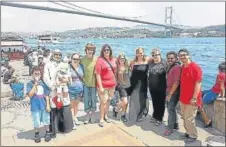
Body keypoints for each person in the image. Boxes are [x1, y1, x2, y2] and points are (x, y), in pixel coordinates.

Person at [43, 49, 73, 138]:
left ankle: (65, 128)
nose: (58, 56)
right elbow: (45, 77)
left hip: (63, 89)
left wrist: (67, 81)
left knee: (64, 107)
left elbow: (69, 75)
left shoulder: (64, 64)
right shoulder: (48, 65)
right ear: (53, 55)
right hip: (53, 90)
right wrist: (53, 86)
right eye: (56, 54)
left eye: (59, 55)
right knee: (54, 109)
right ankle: (54, 130)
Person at [178, 49, 202, 144]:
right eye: (180, 55)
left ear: (189, 55)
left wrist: (195, 97)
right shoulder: (183, 66)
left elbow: (198, 83)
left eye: (184, 55)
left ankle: (193, 135)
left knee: (189, 118)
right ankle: (188, 132)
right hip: (183, 98)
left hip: (192, 99)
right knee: (184, 117)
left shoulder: (195, 67)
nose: (182, 57)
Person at [26, 66, 51, 143]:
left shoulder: (43, 83)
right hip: (35, 107)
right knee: (36, 121)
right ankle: (37, 133)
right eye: (35, 73)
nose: (37, 75)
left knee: (46, 120)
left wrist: (48, 105)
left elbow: (46, 95)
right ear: (32, 74)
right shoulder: (29, 84)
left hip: (43, 105)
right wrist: (35, 84)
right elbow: (30, 95)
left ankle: (47, 132)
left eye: (38, 74)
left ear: (41, 75)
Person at [95, 44, 117, 127]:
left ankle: (106, 115)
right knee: (103, 102)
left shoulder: (113, 59)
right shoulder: (100, 60)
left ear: (110, 51)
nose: (106, 51)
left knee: (108, 101)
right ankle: (101, 118)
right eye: (105, 50)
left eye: (108, 50)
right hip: (103, 86)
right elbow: (97, 74)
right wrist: (100, 87)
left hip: (112, 85)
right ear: (102, 51)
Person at [198, 61, 225, 128]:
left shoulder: (221, 75)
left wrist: (222, 96)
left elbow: (222, 87)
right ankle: (198, 111)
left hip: (214, 92)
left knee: (199, 103)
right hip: (213, 90)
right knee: (200, 93)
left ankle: (207, 120)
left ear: (219, 69)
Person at [126, 47, 149, 124]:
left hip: (143, 83)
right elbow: (126, 67)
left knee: (142, 99)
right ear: (136, 54)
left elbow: (157, 60)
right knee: (133, 99)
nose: (139, 54)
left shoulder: (147, 60)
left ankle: (140, 115)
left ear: (143, 53)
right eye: (138, 53)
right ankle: (132, 115)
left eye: (141, 52)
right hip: (134, 83)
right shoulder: (132, 62)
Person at [163, 51, 181, 136]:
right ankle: (175, 124)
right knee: (172, 109)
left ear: (176, 58)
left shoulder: (177, 67)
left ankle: (170, 128)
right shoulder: (171, 66)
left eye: (172, 58)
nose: (170, 60)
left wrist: (170, 94)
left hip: (173, 92)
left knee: (170, 109)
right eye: (168, 58)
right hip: (170, 90)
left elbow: (176, 82)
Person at [148, 48, 167, 126]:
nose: (155, 56)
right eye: (153, 55)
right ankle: (155, 115)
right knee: (154, 102)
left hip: (161, 88)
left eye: (157, 54)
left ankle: (159, 118)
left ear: (160, 55)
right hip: (152, 88)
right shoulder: (151, 64)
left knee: (161, 104)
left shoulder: (164, 63)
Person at [80, 43, 98, 124]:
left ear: (93, 51)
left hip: (94, 84)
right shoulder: (82, 59)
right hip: (85, 84)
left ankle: (93, 115)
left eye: (92, 49)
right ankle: (87, 116)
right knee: (86, 100)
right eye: (89, 49)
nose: (90, 51)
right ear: (86, 50)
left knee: (94, 100)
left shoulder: (96, 59)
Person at [68, 53, 84, 129]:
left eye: (77, 59)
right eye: (74, 59)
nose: (76, 60)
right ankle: (72, 120)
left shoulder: (81, 67)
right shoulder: (68, 67)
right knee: (71, 105)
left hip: (80, 90)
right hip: (70, 90)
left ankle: (75, 116)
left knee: (76, 105)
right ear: (71, 59)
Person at [112, 53, 130, 122]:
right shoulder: (116, 67)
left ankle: (123, 115)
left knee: (126, 102)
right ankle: (116, 109)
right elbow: (115, 78)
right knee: (125, 101)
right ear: (118, 60)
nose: (122, 60)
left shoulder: (127, 66)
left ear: (125, 59)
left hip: (128, 86)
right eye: (120, 58)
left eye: (123, 58)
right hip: (121, 86)